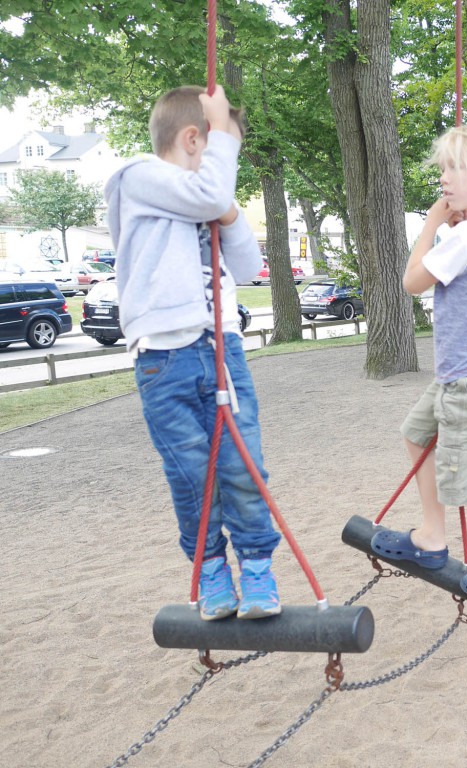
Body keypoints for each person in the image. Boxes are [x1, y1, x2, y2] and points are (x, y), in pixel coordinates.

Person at [104, 85, 282, 621]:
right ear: (192, 139)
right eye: (221, 148)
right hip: (165, 360)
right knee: (191, 475)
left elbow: (249, 269)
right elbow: (205, 193)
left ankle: (256, 569)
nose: (227, 166)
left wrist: (229, 215)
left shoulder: (208, 199)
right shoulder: (137, 178)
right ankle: (209, 570)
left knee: (242, 469)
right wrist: (222, 132)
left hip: (222, 349)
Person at [369, 122, 467, 601]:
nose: (444, 179)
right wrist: (460, 218)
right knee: (416, 435)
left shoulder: (465, 239)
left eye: (455, 168)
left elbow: (412, 282)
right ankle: (432, 538)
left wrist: (432, 224)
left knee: (465, 484)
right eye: (443, 170)